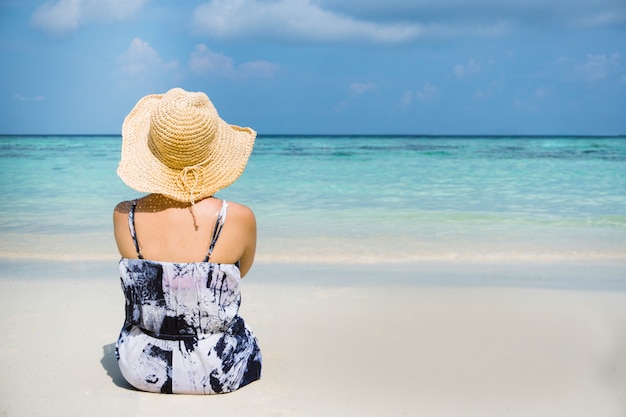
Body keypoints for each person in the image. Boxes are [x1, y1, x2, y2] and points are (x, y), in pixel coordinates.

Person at [112, 87, 262, 394]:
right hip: (219, 370)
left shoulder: (124, 215)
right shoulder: (238, 217)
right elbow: (239, 273)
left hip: (141, 369)